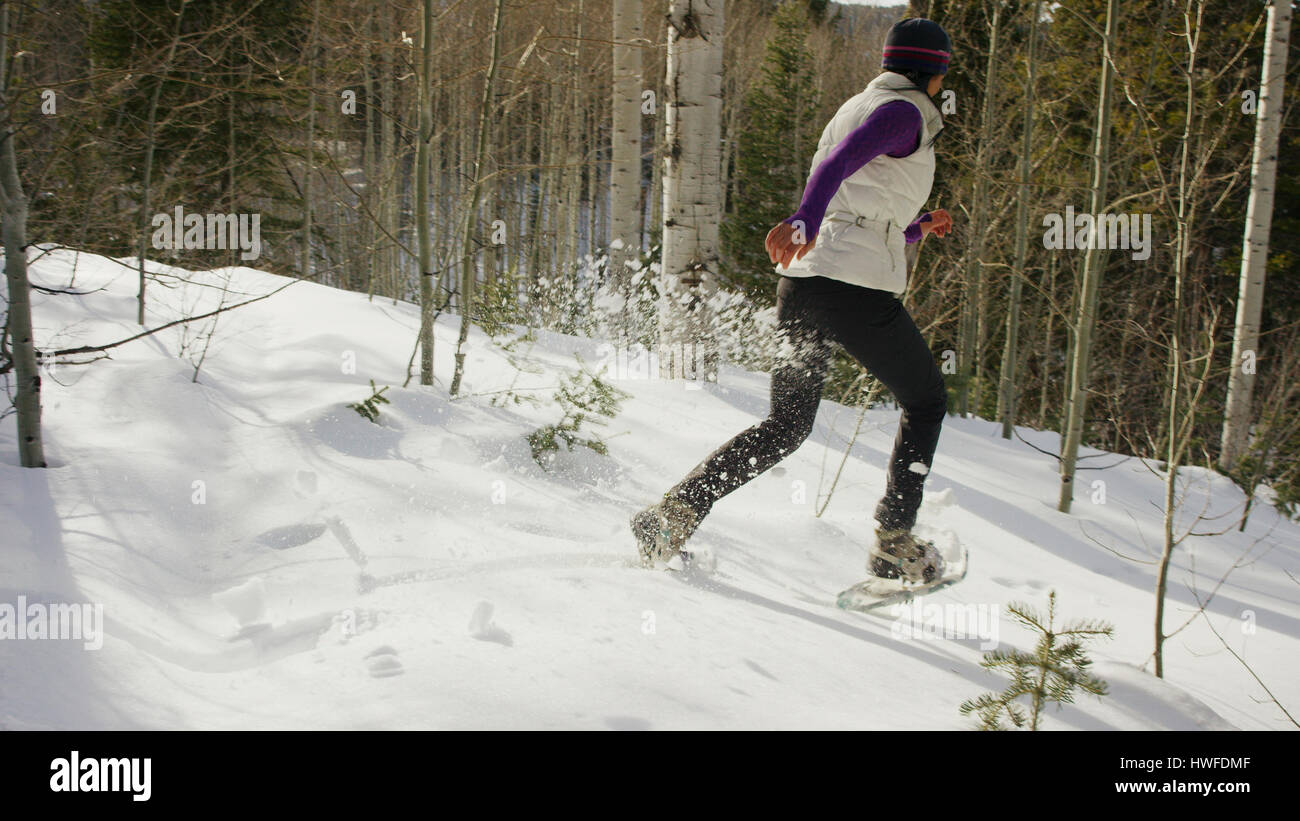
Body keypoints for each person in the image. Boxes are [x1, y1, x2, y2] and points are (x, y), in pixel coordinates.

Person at [633, 18, 955, 584]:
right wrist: (804, 216)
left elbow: (860, 208)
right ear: (934, 72)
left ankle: (673, 515)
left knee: (786, 425)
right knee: (926, 400)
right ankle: (893, 539)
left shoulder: (862, 103)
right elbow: (839, 168)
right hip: (852, 290)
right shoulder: (904, 112)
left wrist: (915, 228)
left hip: (808, 283)